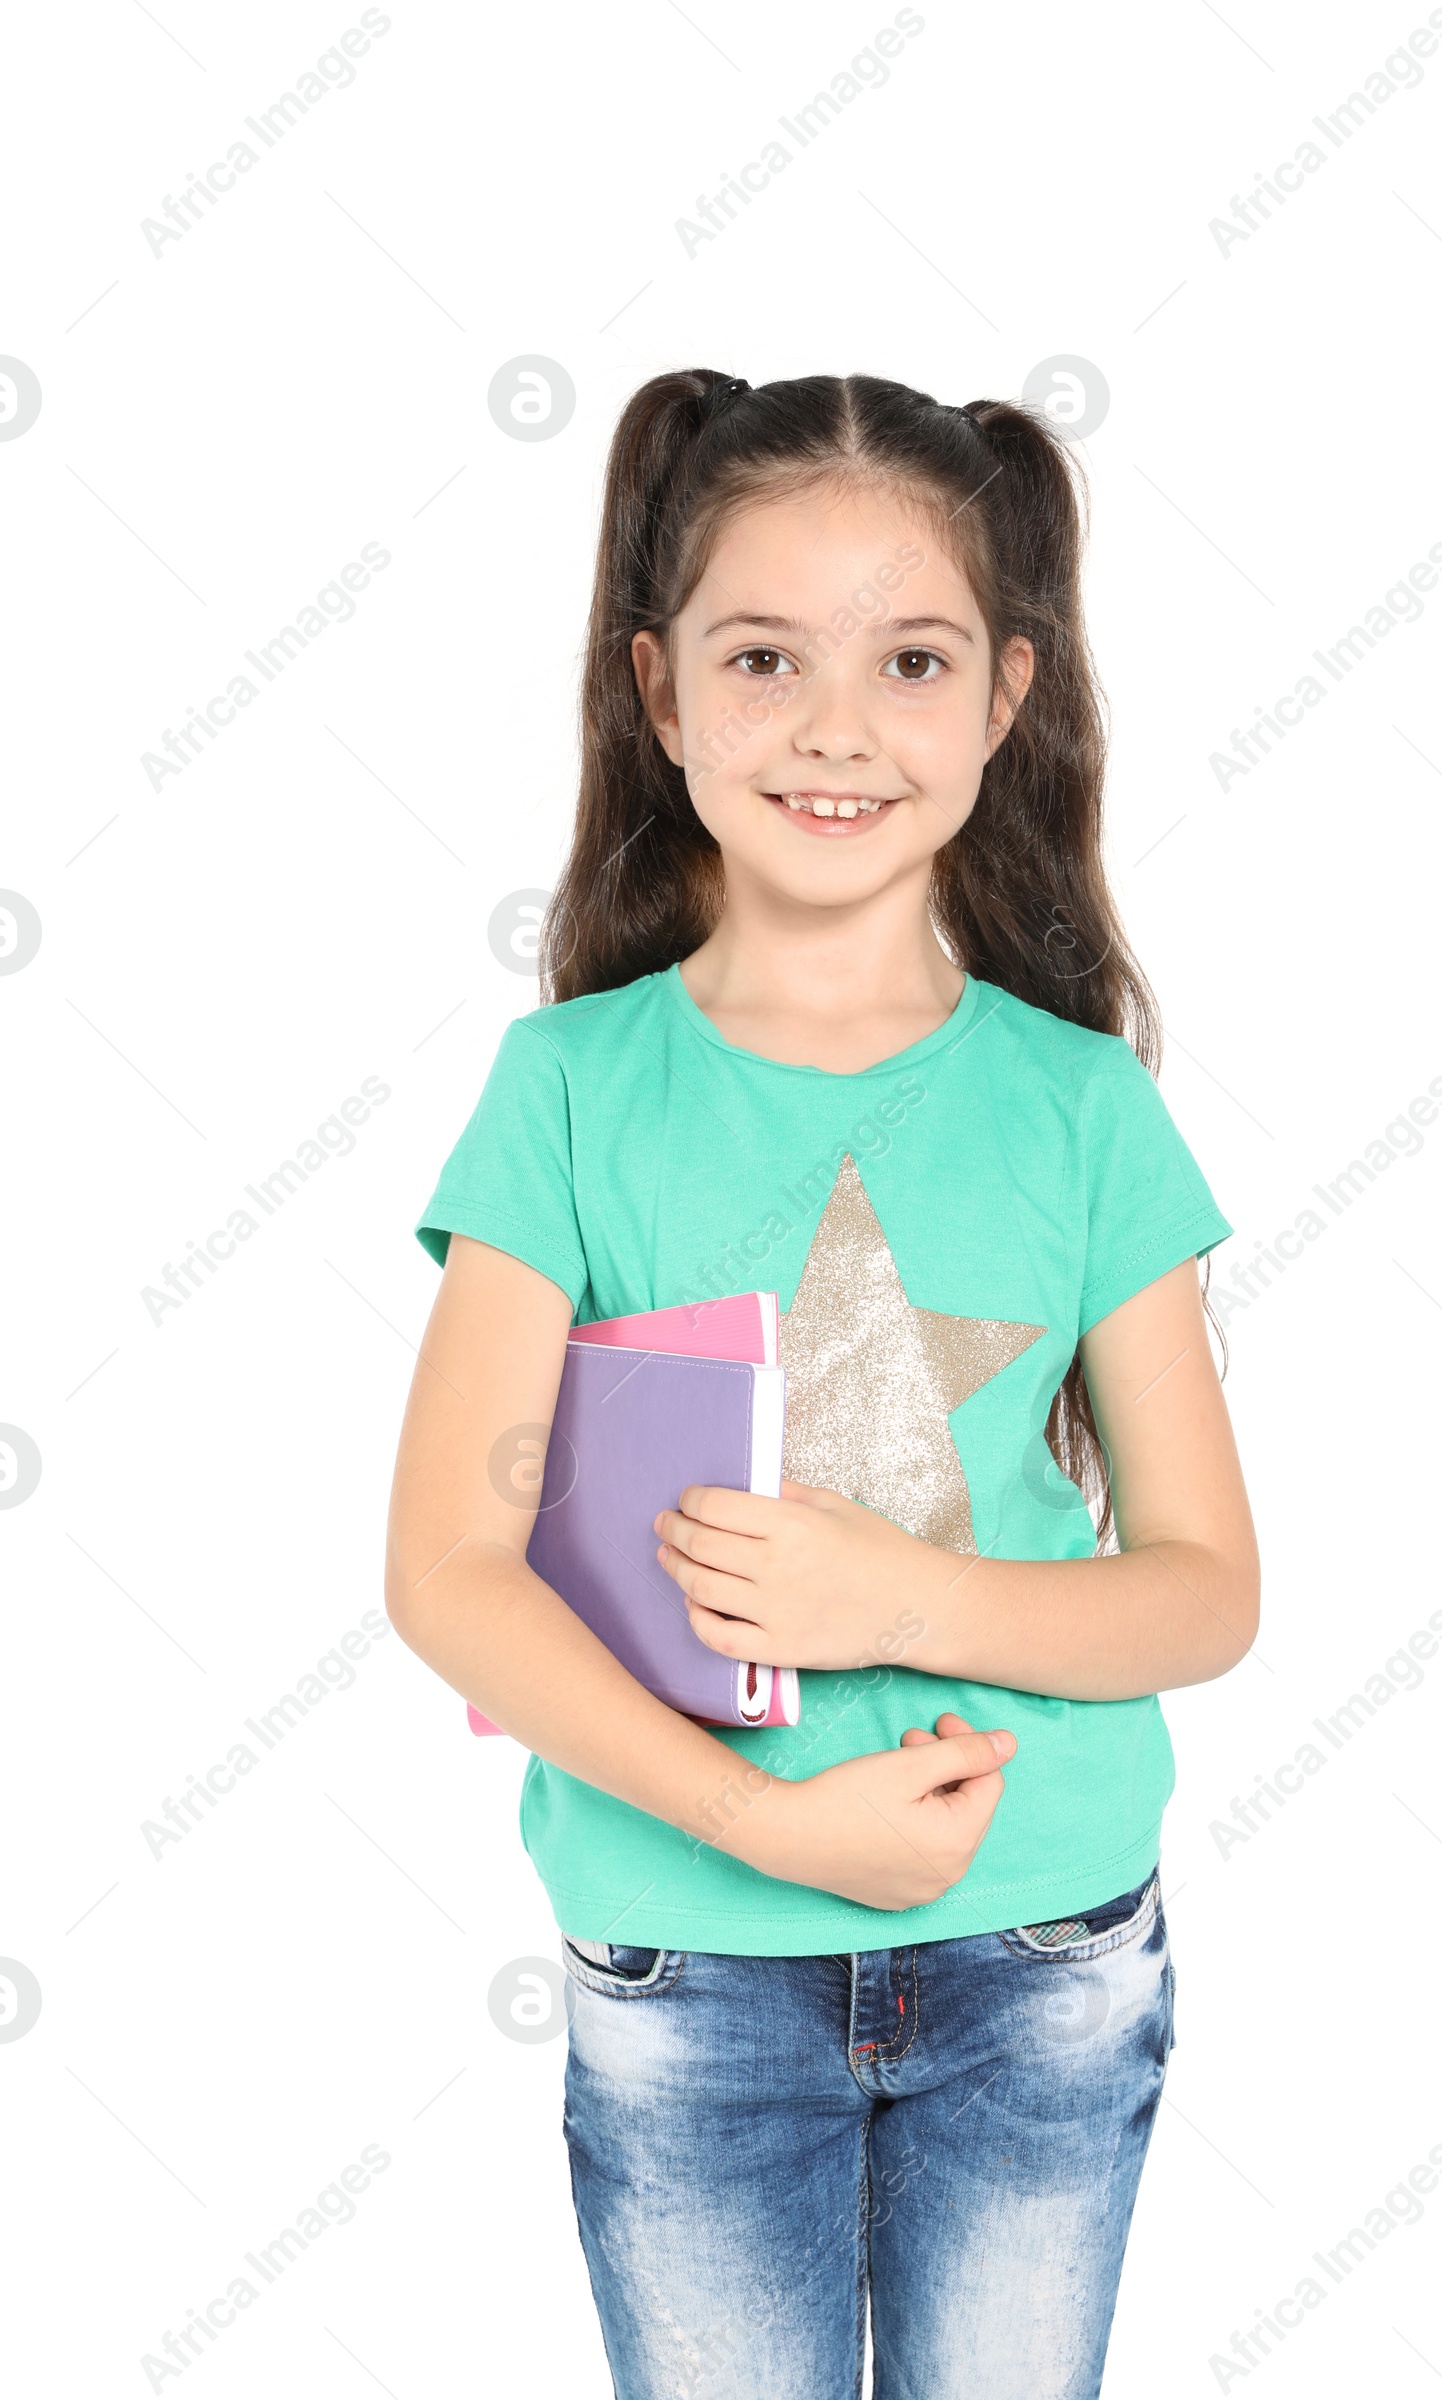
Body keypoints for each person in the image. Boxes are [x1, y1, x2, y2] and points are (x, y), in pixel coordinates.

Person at [386, 369, 1260, 2399]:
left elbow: (1202, 1589)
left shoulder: (1080, 1109)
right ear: (659, 693)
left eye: (912, 659)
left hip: (1042, 1950)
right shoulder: (571, 1094)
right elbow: (448, 1565)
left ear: (1004, 695)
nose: (837, 726)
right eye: (762, 657)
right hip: (690, 1967)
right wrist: (764, 1835)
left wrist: (899, 1603)